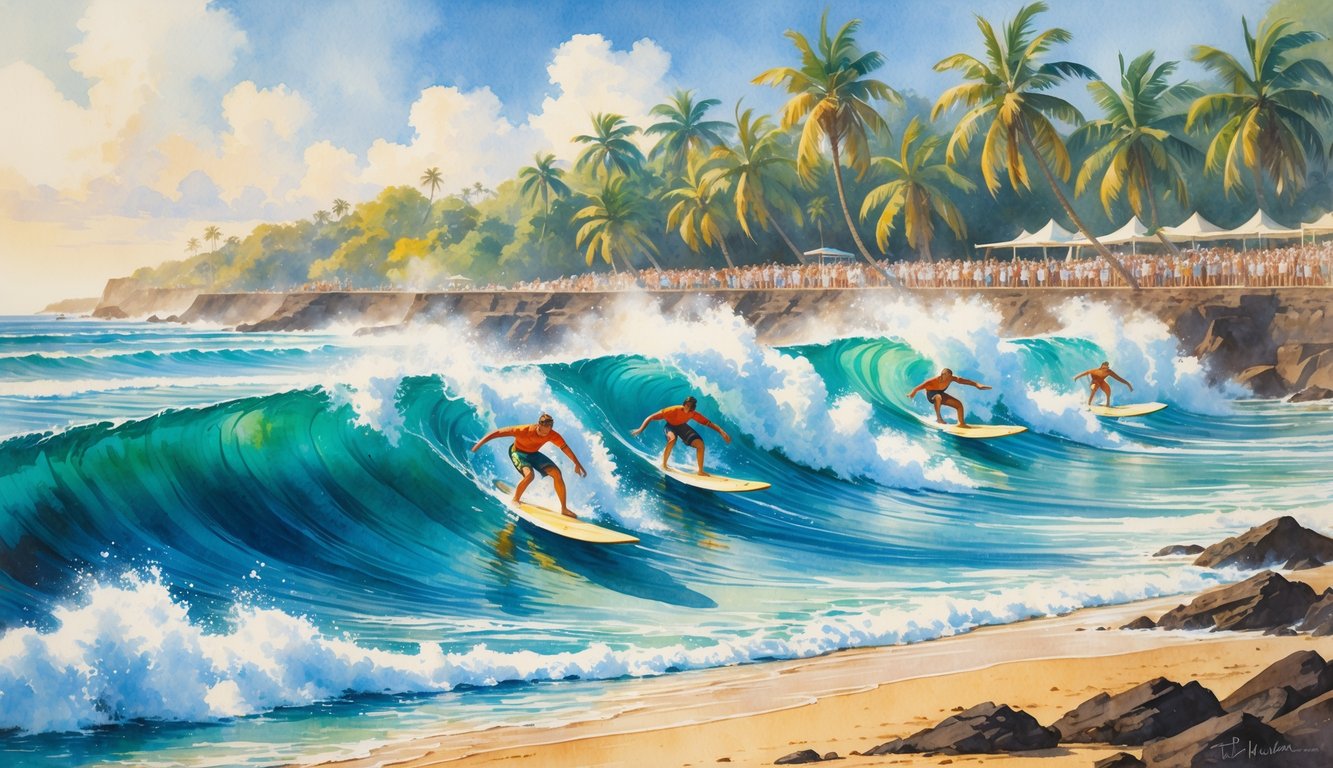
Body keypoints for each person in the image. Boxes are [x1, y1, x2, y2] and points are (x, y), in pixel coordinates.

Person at [472, 412, 586, 517]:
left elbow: (564, 447)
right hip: (517, 452)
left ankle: (564, 509)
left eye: (548, 431)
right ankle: (515, 499)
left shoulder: (552, 434)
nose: (544, 435)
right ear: (539, 425)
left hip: (533, 454)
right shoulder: (523, 430)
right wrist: (480, 443)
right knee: (530, 475)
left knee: (557, 473)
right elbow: (497, 433)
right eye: (543, 432)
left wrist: (577, 464)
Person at [631, 396, 731, 476]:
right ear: (684, 404)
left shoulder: (693, 414)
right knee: (672, 440)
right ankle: (664, 464)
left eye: (690, 406)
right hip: (670, 426)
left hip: (682, 427)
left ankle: (700, 471)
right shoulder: (672, 410)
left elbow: (708, 423)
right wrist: (640, 429)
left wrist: (722, 432)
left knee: (700, 444)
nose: (687, 407)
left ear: (693, 408)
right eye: (686, 405)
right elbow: (651, 417)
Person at [907, 368, 992, 427]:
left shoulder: (951, 378)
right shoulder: (933, 381)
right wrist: (912, 393)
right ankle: (939, 419)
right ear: (942, 375)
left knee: (958, 404)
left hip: (940, 393)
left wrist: (977, 385)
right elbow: (919, 387)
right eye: (947, 377)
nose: (949, 379)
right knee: (938, 397)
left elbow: (963, 380)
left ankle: (961, 423)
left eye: (950, 377)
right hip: (931, 395)